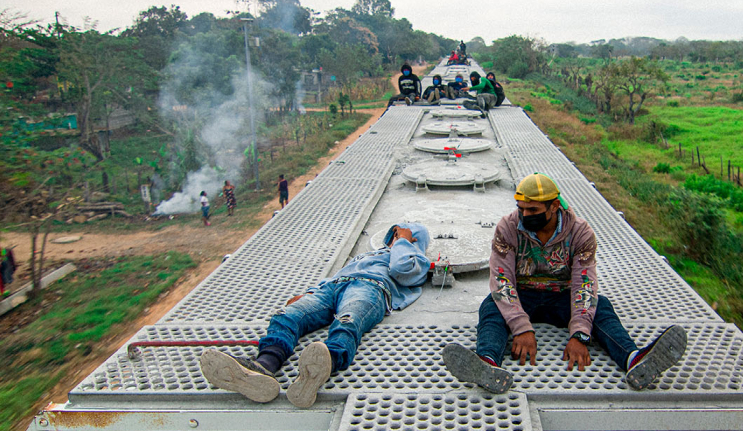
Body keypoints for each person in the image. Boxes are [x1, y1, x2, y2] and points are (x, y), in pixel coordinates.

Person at [441, 173, 687, 392]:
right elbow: (502, 280)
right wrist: (521, 328)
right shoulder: (508, 227)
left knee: (601, 307)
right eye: (521, 209)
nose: (525, 215)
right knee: (491, 307)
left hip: (563, 297)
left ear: (554, 206)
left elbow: (584, 284)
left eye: (533, 211)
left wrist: (580, 334)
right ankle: (487, 363)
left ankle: (634, 360)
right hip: (522, 295)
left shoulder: (580, 233)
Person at [200, 222, 432, 407]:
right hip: (333, 287)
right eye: (393, 235)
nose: (393, 239)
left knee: (349, 320)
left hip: (370, 288)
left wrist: (405, 242)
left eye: (399, 235)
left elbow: (400, 270)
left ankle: (320, 369)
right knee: (288, 315)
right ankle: (263, 367)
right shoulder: (366, 256)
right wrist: (309, 293)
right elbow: (339, 274)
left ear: (413, 241)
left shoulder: (416, 260)